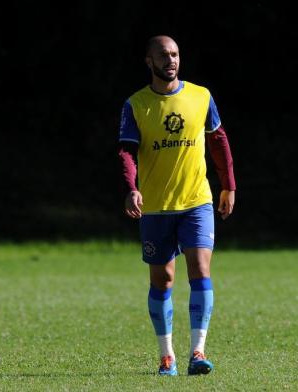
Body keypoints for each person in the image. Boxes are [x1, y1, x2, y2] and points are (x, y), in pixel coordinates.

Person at [118, 35, 235, 376]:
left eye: (175, 54)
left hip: (196, 200)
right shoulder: (136, 104)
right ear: (149, 62)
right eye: (163, 55)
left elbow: (218, 139)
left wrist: (228, 184)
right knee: (163, 279)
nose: (170, 60)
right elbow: (126, 150)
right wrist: (131, 187)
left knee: (200, 269)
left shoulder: (201, 96)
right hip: (155, 206)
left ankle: (197, 352)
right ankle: (166, 355)